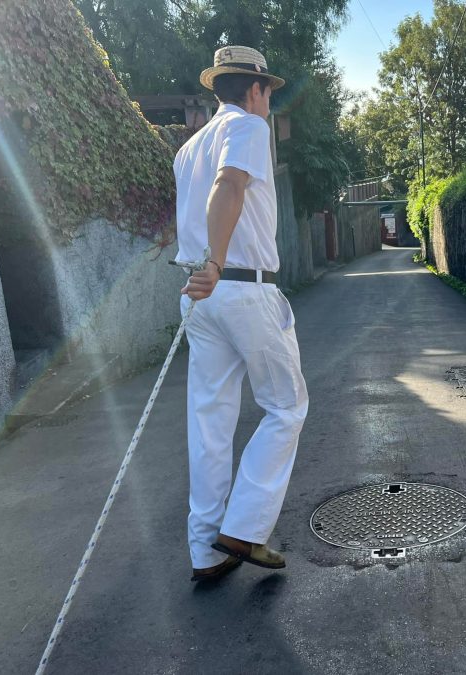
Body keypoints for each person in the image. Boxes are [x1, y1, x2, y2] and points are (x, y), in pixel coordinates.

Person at [173, 46, 308, 582]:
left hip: (200, 299)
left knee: (209, 423)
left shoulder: (187, 150)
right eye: (268, 91)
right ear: (254, 89)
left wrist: (205, 267)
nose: (269, 100)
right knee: (286, 406)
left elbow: (205, 198)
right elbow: (229, 187)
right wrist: (217, 259)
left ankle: (206, 551)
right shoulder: (249, 127)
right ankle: (245, 529)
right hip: (239, 286)